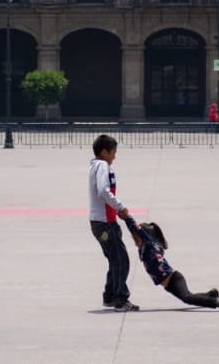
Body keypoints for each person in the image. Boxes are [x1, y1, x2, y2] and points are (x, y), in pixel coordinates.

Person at [123, 216, 219, 312]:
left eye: (136, 237)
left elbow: (136, 228)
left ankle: (217, 302)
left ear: (146, 236)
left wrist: (126, 218)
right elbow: (134, 231)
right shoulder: (143, 249)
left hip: (174, 279)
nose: (134, 239)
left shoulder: (150, 245)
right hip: (169, 285)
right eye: (133, 237)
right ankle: (211, 295)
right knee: (189, 296)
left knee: (187, 298)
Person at [88, 134, 138, 312]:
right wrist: (120, 207)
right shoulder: (102, 165)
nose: (115, 156)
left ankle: (109, 296)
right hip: (105, 222)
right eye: (113, 152)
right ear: (104, 152)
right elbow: (103, 191)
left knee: (114, 260)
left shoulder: (95, 166)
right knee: (121, 260)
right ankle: (120, 299)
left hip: (99, 222)